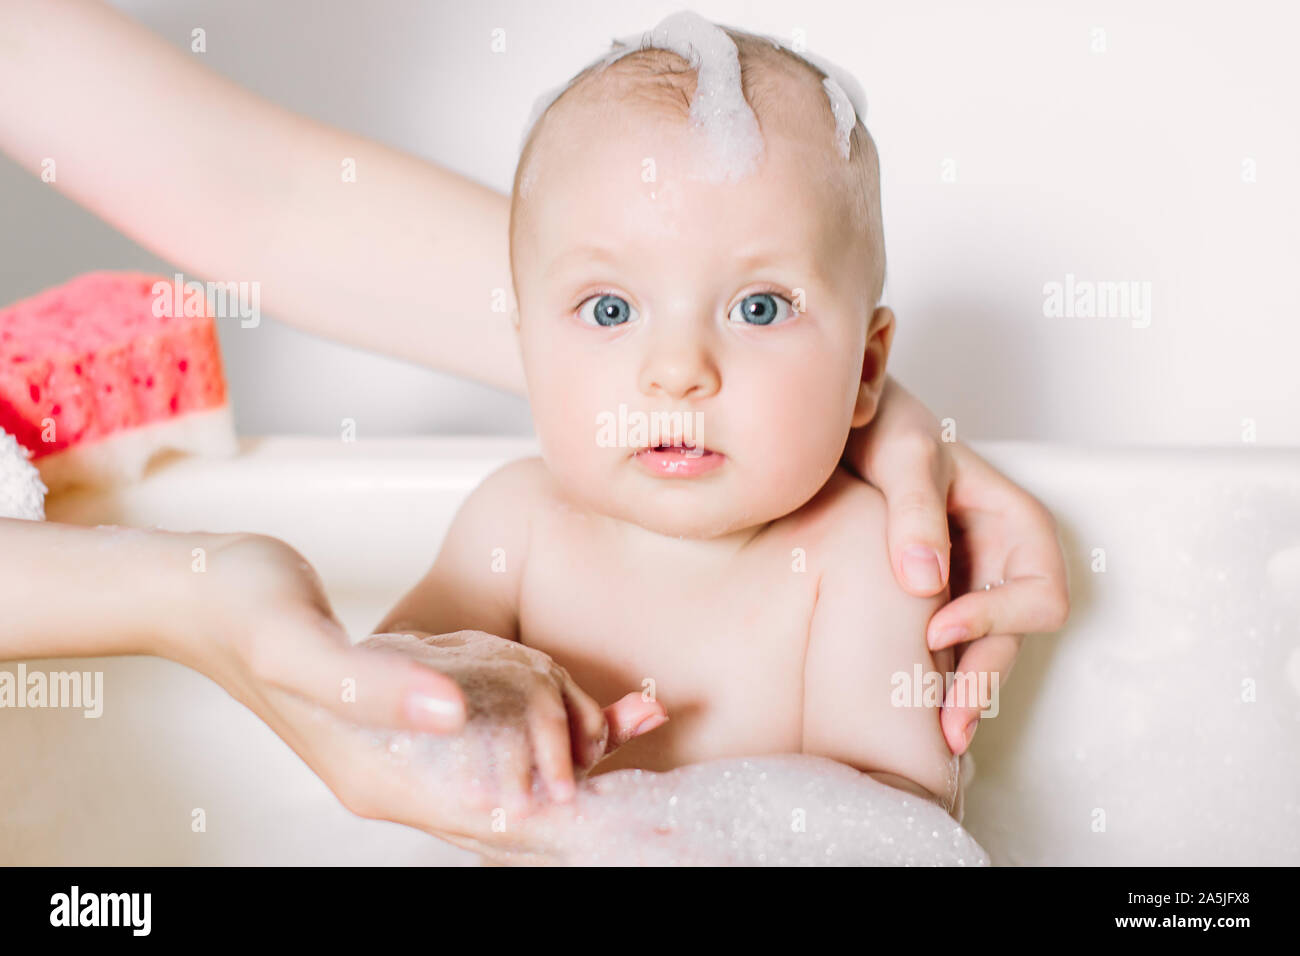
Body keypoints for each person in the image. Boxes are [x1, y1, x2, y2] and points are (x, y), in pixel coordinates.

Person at [0, 0, 1068, 855]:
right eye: (609, 310)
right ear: (526, 342)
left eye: (758, 307)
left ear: (869, 365)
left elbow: (895, 828)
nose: (676, 369)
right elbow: (395, 681)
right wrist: (471, 715)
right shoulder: (513, 520)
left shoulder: (859, 559)